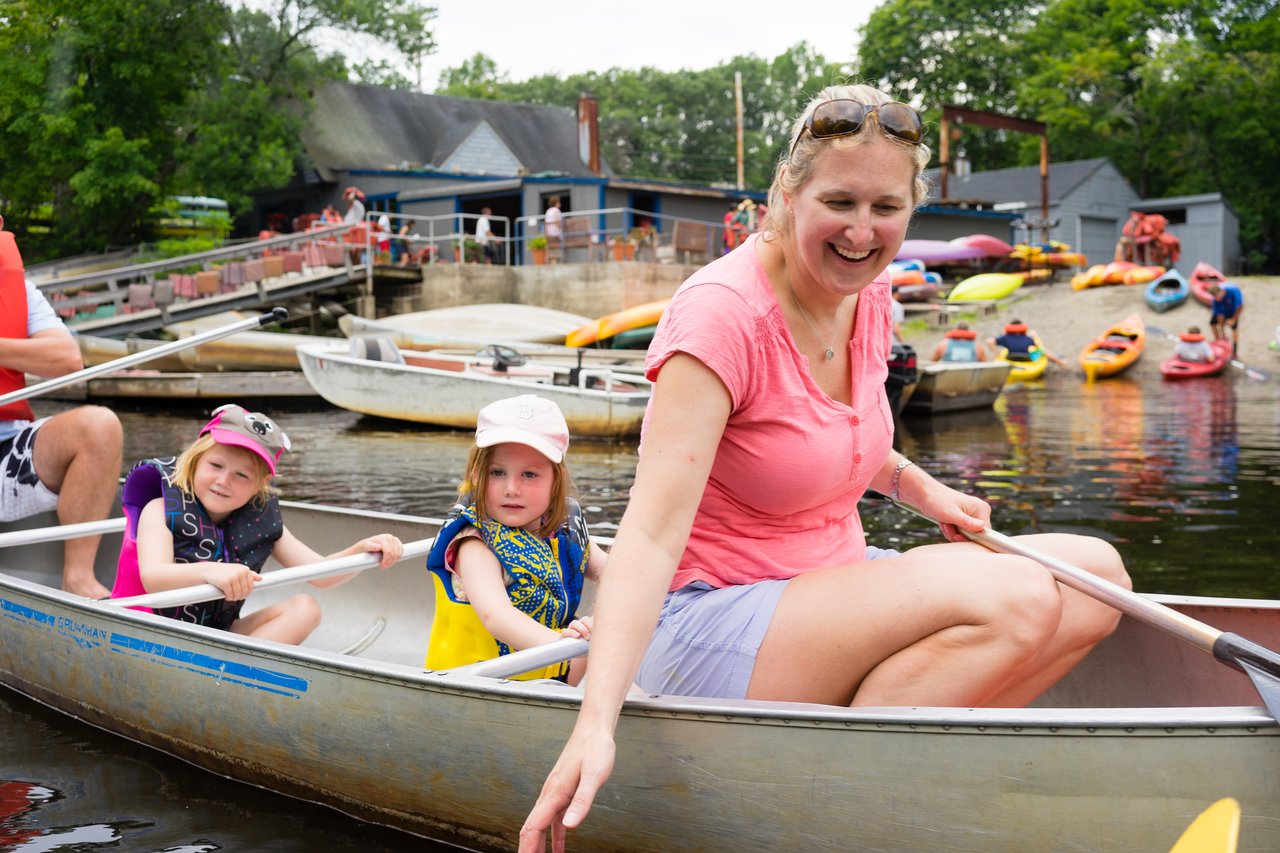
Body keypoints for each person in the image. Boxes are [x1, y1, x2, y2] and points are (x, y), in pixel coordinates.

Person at [520, 83, 1129, 850]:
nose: (862, 231)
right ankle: (851, 803)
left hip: (822, 589)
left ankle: (907, 758)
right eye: (840, 201)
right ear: (787, 193)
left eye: (886, 207)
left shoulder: (865, 295)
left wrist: (922, 486)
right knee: (1015, 597)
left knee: (1099, 576)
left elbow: (827, 436)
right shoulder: (721, 316)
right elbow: (646, 538)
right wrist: (595, 723)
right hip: (711, 618)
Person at [109, 404, 404, 643]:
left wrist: (364, 550)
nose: (223, 482)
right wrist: (213, 570)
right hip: (146, 630)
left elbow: (321, 574)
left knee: (306, 608)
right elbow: (154, 576)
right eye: (215, 466)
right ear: (196, 460)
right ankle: (225, 674)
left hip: (214, 636)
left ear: (260, 485)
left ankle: (227, 675)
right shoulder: (159, 508)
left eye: (242, 475)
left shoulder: (258, 519)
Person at [425, 394, 608, 685]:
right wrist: (566, 642)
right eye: (497, 473)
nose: (512, 488)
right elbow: (497, 617)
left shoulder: (560, 530)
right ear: (476, 475)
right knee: (591, 646)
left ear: (555, 481)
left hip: (548, 676)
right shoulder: (475, 544)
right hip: (478, 686)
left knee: (597, 635)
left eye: (529, 474)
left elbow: (614, 574)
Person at [0, 218, 122, 599]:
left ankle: (78, 578)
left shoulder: (17, 288)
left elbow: (66, 359)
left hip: (6, 452)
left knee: (99, 425)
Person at [988, 320, 1068, 367]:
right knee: (1042, 351)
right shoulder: (1028, 338)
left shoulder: (1005, 337)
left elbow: (990, 341)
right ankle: (1061, 362)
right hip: (1027, 358)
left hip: (1011, 358)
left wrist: (997, 353)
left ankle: (1060, 361)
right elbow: (1039, 347)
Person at [1206, 280, 1243, 356]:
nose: (1217, 299)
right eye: (1215, 297)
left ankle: (1235, 351)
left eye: (1217, 297)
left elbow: (1240, 306)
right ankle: (1218, 341)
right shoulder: (1215, 300)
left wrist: (1233, 319)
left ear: (1221, 292)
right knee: (1212, 323)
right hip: (1224, 308)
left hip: (1233, 309)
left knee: (1234, 328)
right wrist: (1222, 331)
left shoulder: (1233, 291)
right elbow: (1219, 316)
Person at [543, 197, 563, 263]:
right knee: (556, 250)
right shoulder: (556, 210)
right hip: (555, 234)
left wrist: (546, 234)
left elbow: (545, 223)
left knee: (550, 249)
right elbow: (558, 222)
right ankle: (554, 263)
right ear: (556, 203)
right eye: (559, 202)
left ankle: (551, 262)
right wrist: (561, 230)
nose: (560, 204)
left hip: (549, 234)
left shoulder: (548, 211)